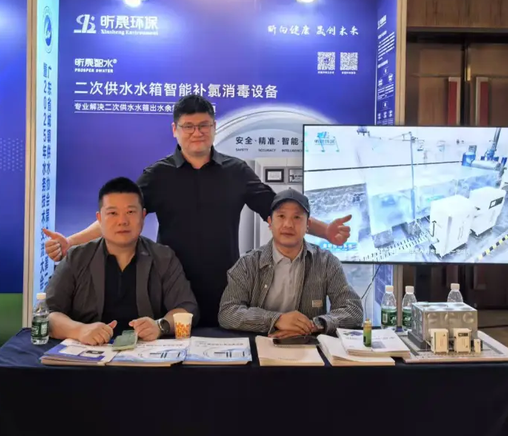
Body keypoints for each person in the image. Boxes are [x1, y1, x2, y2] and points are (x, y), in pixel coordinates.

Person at [43, 95, 352, 325]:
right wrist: (71, 241)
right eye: (188, 126)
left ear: (214, 128)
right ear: (174, 130)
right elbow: (120, 216)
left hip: (225, 285)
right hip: (168, 286)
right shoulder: (158, 174)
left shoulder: (236, 171)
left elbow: (280, 210)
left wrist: (326, 231)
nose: (197, 132)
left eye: (204, 125)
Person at [45, 177, 198, 345]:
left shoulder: (163, 257)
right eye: (113, 213)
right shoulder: (76, 258)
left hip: (145, 355)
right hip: (88, 353)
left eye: (130, 212)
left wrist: (160, 326)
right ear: (99, 218)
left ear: (143, 216)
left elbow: (187, 308)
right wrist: (80, 330)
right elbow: (48, 313)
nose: (122, 221)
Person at [218, 189, 362, 336]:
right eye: (281, 216)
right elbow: (228, 312)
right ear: (270, 222)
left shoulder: (326, 262)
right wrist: (276, 320)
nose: (288, 224)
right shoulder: (248, 264)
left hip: (307, 344)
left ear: (307, 225)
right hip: (261, 343)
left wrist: (312, 325)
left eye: (297, 217)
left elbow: (353, 310)